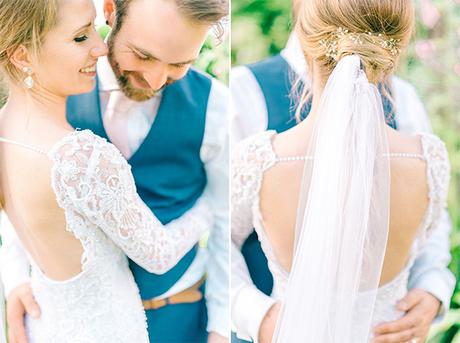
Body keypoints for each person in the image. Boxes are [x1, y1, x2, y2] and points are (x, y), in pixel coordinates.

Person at [0, 0, 229, 342]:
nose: (155, 80)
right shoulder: (58, 87)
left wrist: (221, 328)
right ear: (110, 11)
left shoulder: (217, 106)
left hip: (181, 313)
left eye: (180, 64)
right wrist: (15, 275)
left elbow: (227, 218)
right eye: (143, 54)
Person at [230, 1, 455, 342]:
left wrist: (432, 289)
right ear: (395, 45)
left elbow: (433, 233)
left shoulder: (262, 158)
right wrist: (257, 315)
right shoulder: (429, 157)